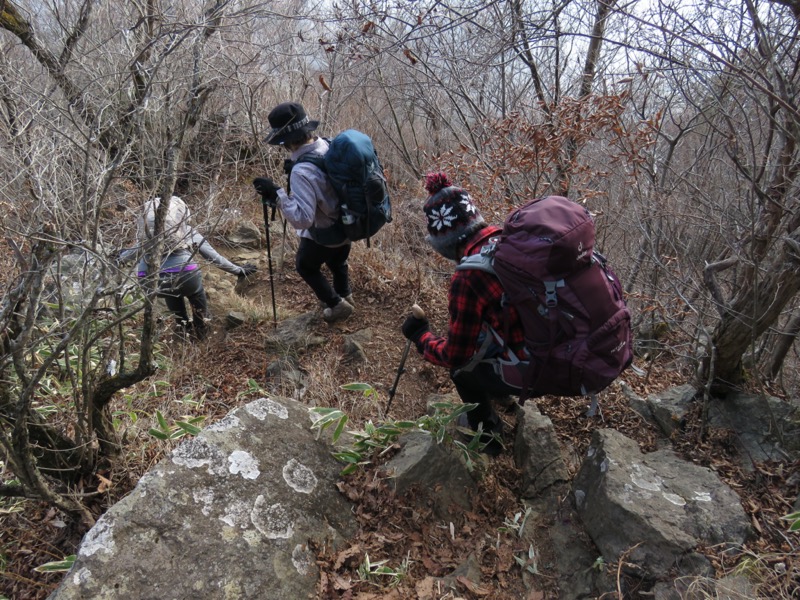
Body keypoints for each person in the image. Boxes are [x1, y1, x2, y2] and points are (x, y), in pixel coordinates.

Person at [400, 172, 526, 456]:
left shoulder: (470, 276)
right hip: (565, 344)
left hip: (538, 367)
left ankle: (488, 437)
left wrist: (421, 337)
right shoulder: (511, 239)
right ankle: (501, 392)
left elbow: (456, 355)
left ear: (444, 243)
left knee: (462, 371)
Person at [252, 102, 354, 323]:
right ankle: (346, 295)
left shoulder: (301, 171)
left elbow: (303, 219)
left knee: (305, 266)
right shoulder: (327, 145)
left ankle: (337, 305)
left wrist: (278, 193)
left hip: (326, 233)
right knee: (337, 262)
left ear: (286, 141)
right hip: (348, 224)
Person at [119, 195, 257, 340]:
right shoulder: (186, 231)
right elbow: (213, 257)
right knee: (195, 292)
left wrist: (119, 256)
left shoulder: (146, 236)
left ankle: (182, 328)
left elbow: (127, 255)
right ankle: (201, 329)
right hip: (185, 275)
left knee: (170, 291)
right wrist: (239, 270)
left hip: (148, 280)